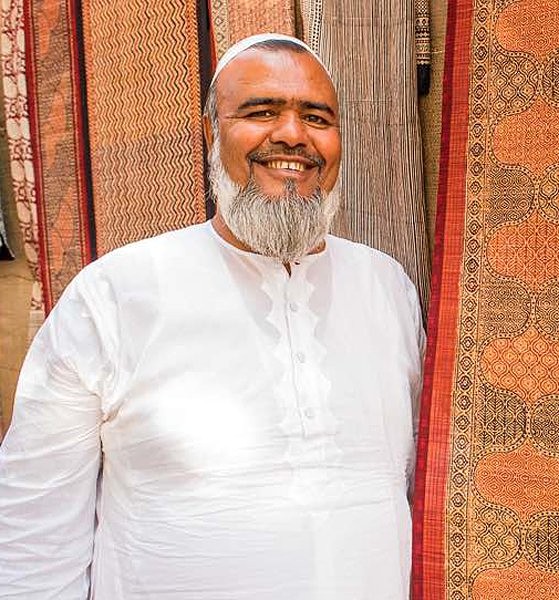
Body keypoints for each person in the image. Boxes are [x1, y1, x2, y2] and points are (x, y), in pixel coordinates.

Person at [0, 33, 423, 599]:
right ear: (209, 131)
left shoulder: (386, 286)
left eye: (317, 117)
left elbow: (422, 479)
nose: (293, 135)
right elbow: (34, 525)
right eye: (261, 111)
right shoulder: (115, 295)